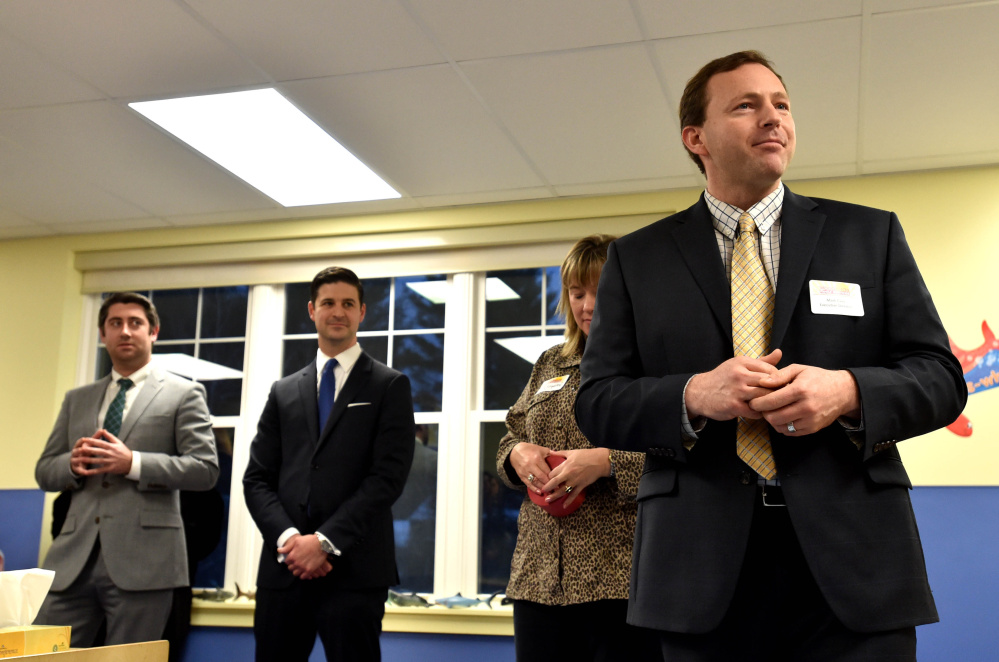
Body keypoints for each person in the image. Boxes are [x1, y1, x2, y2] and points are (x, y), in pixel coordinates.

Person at [575, 51, 967, 662]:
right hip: (697, 572)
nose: (772, 117)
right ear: (695, 138)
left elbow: (941, 378)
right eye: (746, 105)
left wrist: (849, 392)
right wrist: (692, 396)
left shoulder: (870, 235)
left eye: (781, 104)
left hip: (855, 565)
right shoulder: (638, 259)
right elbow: (596, 402)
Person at [497, 235, 662, 662]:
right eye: (577, 293)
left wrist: (607, 463)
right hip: (538, 577)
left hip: (622, 578)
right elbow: (510, 436)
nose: (588, 305)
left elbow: (689, 454)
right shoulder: (550, 363)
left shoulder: (655, 365)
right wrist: (517, 456)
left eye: (600, 290)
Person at [243, 266, 415, 662]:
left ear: (362, 313)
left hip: (354, 572)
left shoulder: (389, 386)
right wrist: (289, 541)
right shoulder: (283, 391)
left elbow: (387, 479)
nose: (337, 311)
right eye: (328, 303)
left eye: (347, 304)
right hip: (283, 572)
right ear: (311, 310)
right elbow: (257, 480)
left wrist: (323, 543)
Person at [35, 292, 219, 648]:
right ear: (103, 335)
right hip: (72, 560)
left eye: (135, 323)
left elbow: (204, 469)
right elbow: (45, 470)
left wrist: (132, 463)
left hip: (146, 563)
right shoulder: (78, 399)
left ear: (154, 332)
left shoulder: (184, 393)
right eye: (115, 324)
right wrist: (70, 465)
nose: (125, 331)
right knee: (43, 655)